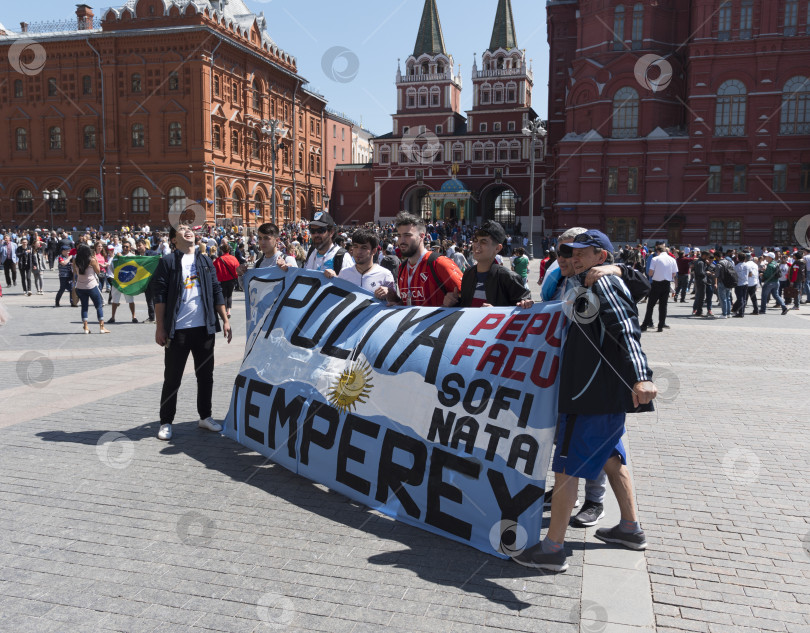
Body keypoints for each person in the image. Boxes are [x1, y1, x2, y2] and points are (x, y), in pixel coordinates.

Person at [515, 230, 657, 572]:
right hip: (598, 394)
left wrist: (642, 375)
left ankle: (552, 548)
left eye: (583, 252)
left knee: (566, 468)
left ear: (601, 258)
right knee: (610, 457)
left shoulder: (601, 284)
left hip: (588, 395)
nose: (573, 257)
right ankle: (629, 529)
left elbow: (625, 328)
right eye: (570, 252)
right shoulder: (580, 285)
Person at [152, 224, 232, 441]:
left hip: (204, 328)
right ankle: (166, 422)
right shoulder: (168, 262)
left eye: (189, 228)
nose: (188, 230)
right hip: (177, 331)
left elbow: (216, 289)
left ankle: (205, 417)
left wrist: (225, 319)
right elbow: (159, 296)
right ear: (174, 240)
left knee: (206, 376)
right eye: (181, 229)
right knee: (173, 378)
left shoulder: (205, 260)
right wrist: (160, 327)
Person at [444, 221, 532, 308]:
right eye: (475, 240)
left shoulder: (509, 278)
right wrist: (454, 302)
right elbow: (466, 305)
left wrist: (495, 313)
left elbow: (522, 310)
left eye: (483, 241)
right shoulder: (468, 274)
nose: (476, 245)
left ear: (497, 248)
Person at [387, 212, 462, 307]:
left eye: (407, 235)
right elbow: (409, 303)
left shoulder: (439, 263)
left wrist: (453, 303)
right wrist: (397, 303)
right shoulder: (402, 268)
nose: (401, 240)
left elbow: (467, 295)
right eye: (399, 235)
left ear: (422, 236)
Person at [337, 228, 396, 298]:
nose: (358, 251)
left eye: (364, 247)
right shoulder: (344, 274)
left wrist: (390, 294)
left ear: (374, 251)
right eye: (355, 246)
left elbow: (396, 304)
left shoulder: (385, 275)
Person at [72, 244, 110, 334]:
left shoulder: (75, 260)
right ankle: (102, 327)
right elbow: (98, 271)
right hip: (91, 286)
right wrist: (96, 260)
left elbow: (75, 272)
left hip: (80, 286)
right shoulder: (91, 260)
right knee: (98, 306)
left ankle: (85, 327)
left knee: (84, 307)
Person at [303, 212, 353, 277]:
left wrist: (336, 279)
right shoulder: (311, 251)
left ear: (331, 232)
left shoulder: (343, 257)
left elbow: (351, 285)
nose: (316, 234)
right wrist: (289, 270)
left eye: (321, 230)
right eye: (312, 230)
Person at [640, 245, 677, 332]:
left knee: (650, 305)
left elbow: (650, 273)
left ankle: (645, 324)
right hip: (666, 284)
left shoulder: (655, 259)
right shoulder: (672, 259)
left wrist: (655, 274)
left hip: (656, 284)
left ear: (658, 251)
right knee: (663, 306)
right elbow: (674, 274)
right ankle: (660, 325)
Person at [108, 241, 138, 324]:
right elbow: (111, 266)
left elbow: (137, 267)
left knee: (130, 300)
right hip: (118, 281)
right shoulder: (117, 256)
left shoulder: (133, 256)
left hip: (128, 282)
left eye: (127, 247)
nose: (125, 248)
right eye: (123, 246)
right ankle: (113, 317)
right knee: (115, 300)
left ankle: (134, 316)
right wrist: (116, 275)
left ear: (130, 247)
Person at [213, 242, 241, 318]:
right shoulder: (233, 258)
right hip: (231, 279)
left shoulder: (218, 259)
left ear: (222, 251)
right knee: (229, 295)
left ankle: (224, 311)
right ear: (229, 250)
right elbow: (237, 268)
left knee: (223, 295)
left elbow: (214, 270)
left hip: (222, 280)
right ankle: (229, 310)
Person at [136, 239, 159, 323]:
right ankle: (151, 317)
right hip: (144, 281)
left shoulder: (152, 253)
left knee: (155, 299)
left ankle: (158, 318)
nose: (138, 247)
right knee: (149, 299)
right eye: (137, 246)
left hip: (153, 279)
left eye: (140, 245)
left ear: (145, 245)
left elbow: (158, 258)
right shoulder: (137, 255)